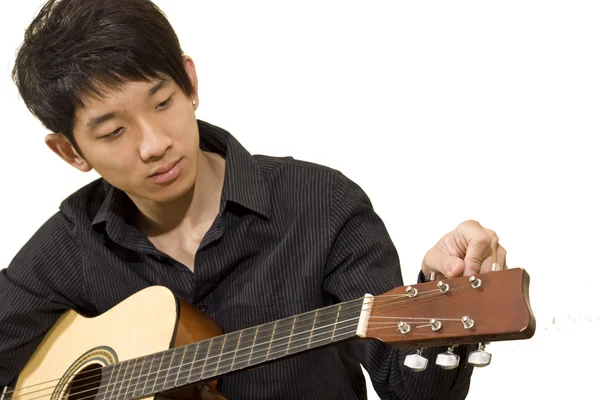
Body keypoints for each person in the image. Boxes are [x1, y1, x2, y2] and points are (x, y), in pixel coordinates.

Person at [0, 0, 507, 399]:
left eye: (162, 102)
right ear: (70, 151)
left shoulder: (320, 205)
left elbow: (406, 388)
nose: (155, 143)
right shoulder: (70, 246)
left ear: (190, 82)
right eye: (112, 132)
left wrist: (442, 319)